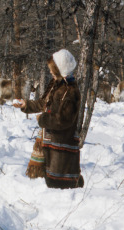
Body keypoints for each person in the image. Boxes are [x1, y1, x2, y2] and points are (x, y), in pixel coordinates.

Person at [13, 49, 84, 189]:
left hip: (61, 146)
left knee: (60, 186)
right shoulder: (55, 84)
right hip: (51, 142)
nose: (50, 72)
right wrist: (26, 104)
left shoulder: (70, 91)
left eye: (53, 69)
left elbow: (63, 120)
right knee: (48, 183)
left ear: (60, 69)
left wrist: (43, 119)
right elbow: (43, 103)